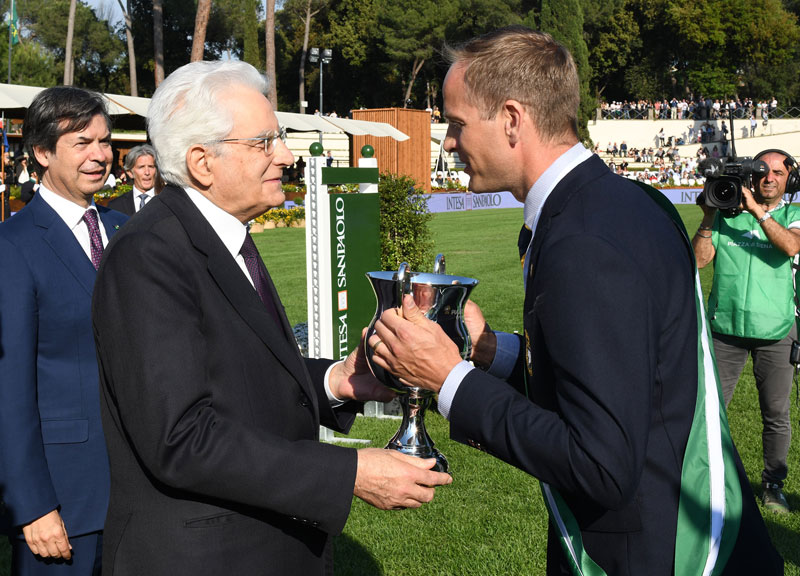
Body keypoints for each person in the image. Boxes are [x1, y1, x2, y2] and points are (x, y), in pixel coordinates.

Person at [367, 26, 781, 575]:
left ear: (512, 119)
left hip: (655, 552)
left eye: (456, 123)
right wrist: (492, 352)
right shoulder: (628, 201)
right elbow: (626, 376)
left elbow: (602, 463)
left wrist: (448, 380)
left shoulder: (583, 240)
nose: (447, 141)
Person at [91, 60, 451, 576]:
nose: (284, 155)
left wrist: (337, 381)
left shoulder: (222, 236)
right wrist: (347, 473)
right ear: (202, 162)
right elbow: (182, 437)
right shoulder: (150, 255)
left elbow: (237, 375)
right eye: (264, 142)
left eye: (278, 138)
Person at [0, 86, 128, 575]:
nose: (100, 155)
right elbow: (9, 391)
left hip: (140, 491)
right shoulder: (13, 246)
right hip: (63, 501)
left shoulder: (125, 229)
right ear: (42, 153)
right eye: (82, 142)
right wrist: (32, 504)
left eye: (105, 140)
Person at [692, 149, 800, 514]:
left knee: (776, 414)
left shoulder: (795, 214)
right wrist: (708, 218)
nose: (768, 177)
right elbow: (698, 260)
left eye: (777, 172)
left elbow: (791, 245)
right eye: (761, 170)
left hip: (776, 330)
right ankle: (707, 479)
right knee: (710, 410)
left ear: (789, 180)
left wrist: (756, 210)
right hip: (725, 329)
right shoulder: (726, 214)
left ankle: (773, 485)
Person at [108, 144, 158, 216]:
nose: (147, 172)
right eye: (141, 167)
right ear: (130, 173)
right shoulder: (115, 206)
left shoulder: (168, 203)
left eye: (151, 166)